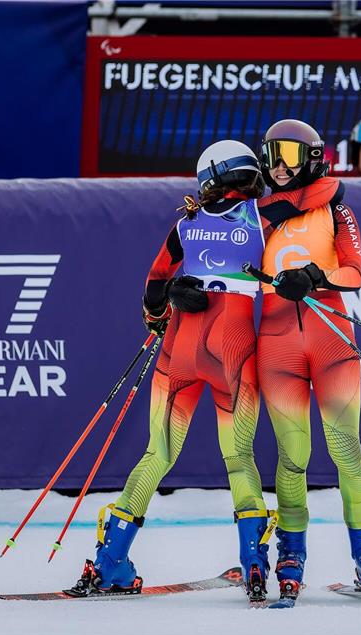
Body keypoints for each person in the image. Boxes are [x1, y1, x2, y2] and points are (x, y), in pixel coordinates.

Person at [65, 140, 276, 605]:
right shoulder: (267, 220)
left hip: (180, 346)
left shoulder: (185, 222)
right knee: (240, 459)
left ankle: (109, 563)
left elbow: (155, 284)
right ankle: (255, 566)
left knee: (156, 454)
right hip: (234, 347)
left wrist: (166, 303)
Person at [255, 119, 361, 604]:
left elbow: (354, 272)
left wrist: (315, 275)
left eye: (291, 155)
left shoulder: (337, 208)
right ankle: (291, 554)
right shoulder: (255, 213)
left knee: (347, 453)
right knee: (292, 459)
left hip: (331, 344)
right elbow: (225, 271)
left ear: (313, 158)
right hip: (277, 349)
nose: (280, 166)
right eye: (273, 154)